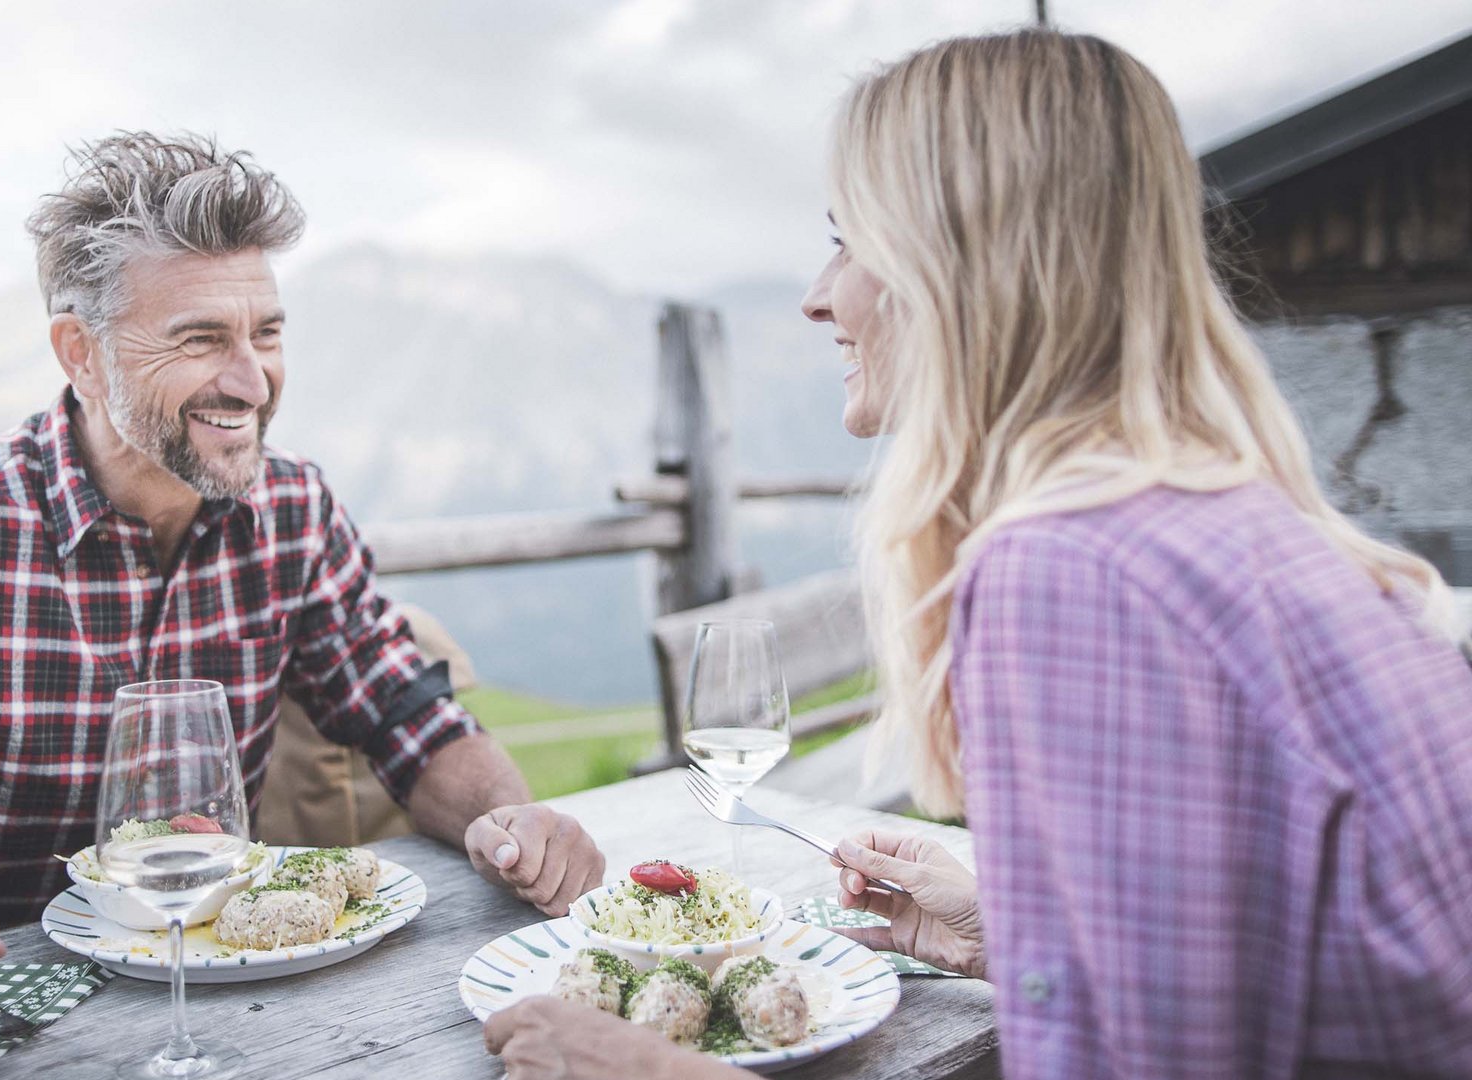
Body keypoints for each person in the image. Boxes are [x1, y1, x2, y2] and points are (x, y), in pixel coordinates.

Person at [485, 28, 1472, 1079]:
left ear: (958, 267)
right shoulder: (1210, 523)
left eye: (849, 240)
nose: (820, 296)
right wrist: (1005, 935)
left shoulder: (1075, 573)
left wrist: (653, 1071)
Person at [0, 131, 606, 1080]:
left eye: (266, 334)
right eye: (200, 339)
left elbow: (409, 720)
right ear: (79, 353)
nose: (250, 380)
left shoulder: (293, 510)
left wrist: (517, 824)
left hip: (229, 1013)